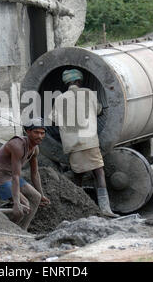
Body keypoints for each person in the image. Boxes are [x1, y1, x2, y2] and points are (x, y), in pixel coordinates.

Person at [53, 68, 117, 217]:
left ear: (67, 82)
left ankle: (79, 209)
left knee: (78, 175)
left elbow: (54, 119)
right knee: (98, 172)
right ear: (79, 81)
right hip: (89, 141)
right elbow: (99, 110)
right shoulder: (88, 93)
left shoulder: (59, 99)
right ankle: (105, 209)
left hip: (72, 144)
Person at [0, 118, 50, 231]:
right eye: (36, 132)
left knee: (36, 197)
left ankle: (23, 230)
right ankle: (8, 230)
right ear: (27, 131)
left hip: (10, 175)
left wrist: (42, 194)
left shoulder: (35, 149)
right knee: (23, 205)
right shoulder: (17, 146)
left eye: (42, 133)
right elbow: (16, 176)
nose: (40, 136)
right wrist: (17, 203)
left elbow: (35, 173)